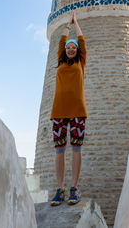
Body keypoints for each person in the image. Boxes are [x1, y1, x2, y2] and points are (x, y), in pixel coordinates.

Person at [50, 11, 87, 206]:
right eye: (68, 48)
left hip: (78, 111)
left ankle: (74, 188)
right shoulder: (60, 61)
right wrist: (67, 25)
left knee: (76, 149)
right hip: (58, 111)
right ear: (64, 51)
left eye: (74, 48)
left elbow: (81, 42)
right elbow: (61, 41)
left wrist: (76, 23)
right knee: (59, 150)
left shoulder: (81, 62)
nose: (71, 49)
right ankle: (60, 189)